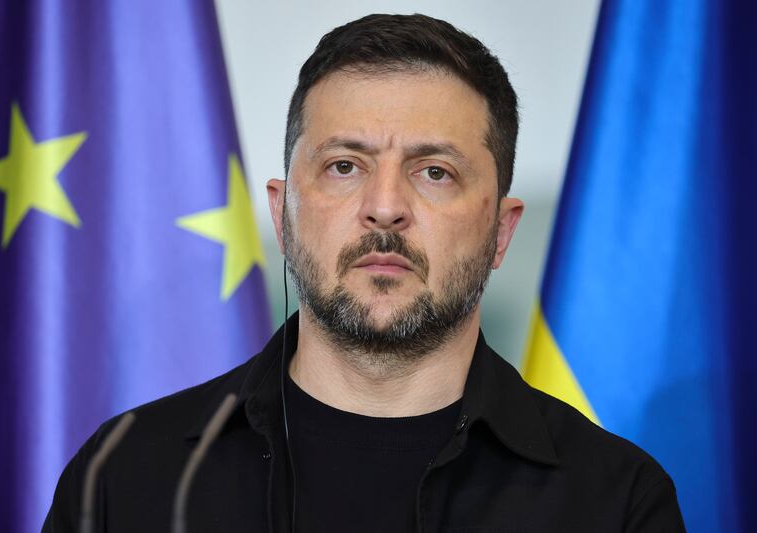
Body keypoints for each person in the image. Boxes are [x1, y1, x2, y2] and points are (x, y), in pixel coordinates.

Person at [43, 13, 685, 532]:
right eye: (344, 166)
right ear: (283, 212)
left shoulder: (616, 502)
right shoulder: (123, 478)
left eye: (435, 171)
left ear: (502, 230)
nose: (385, 207)